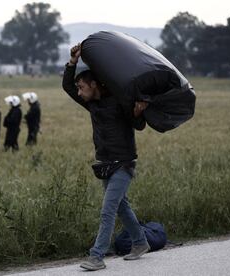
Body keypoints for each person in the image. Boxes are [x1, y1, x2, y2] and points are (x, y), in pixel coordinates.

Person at [62, 43, 150, 271]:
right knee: (121, 207)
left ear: (93, 84)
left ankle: (97, 256)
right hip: (105, 163)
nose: (79, 92)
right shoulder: (92, 105)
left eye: (82, 87)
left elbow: (138, 125)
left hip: (124, 162)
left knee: (108, 209)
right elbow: (67, 87)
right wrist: (73, 62)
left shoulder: (120, 101)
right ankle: (140, 242)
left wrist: (138, 113)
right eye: (79, 89)